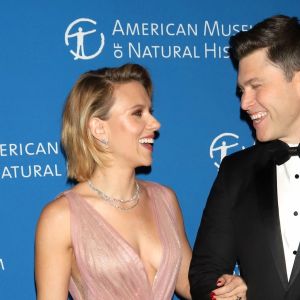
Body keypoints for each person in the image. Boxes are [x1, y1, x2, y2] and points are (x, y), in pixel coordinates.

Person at [35, 63, 246, 300]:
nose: (155, 124)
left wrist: (224, 289)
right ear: (98, 128)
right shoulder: (62, 217)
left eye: (150, 111)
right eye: (138, 113)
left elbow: (191, 284)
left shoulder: (165, 199)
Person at [189, 15, 300, 300]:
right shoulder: (235, 171)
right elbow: (205, 273)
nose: (244, 103)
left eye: (256, 86)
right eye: (242, 90)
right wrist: (225, 290)